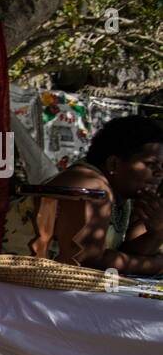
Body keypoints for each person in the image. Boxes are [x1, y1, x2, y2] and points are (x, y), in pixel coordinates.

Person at [44, 115, 163, 274]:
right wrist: (155, 265)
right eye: (150, 164)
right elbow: (87, 260)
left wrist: (157, 233)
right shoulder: (91, 184)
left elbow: (124, 254)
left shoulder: (123, 194)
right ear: (113, 164)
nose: (159, 173)